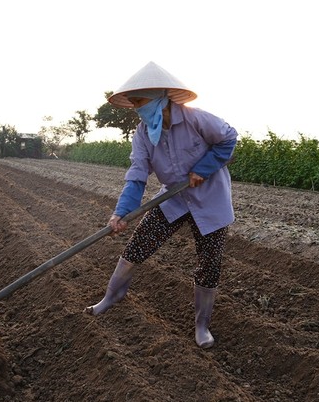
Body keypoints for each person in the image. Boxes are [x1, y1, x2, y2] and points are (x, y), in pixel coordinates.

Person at [84, 61, 238, 349]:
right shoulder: (143, 134)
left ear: (160, 98)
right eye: (133, 103)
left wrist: (203, 169)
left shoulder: (196, 120)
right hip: (174, 197)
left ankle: (202, 325)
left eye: (140, 101)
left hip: (211, 199)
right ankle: (112, 296)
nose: (136, 108)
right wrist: (122, 212)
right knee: (140, 243)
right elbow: (137, 173)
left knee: (209, 262)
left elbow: (228, 138)